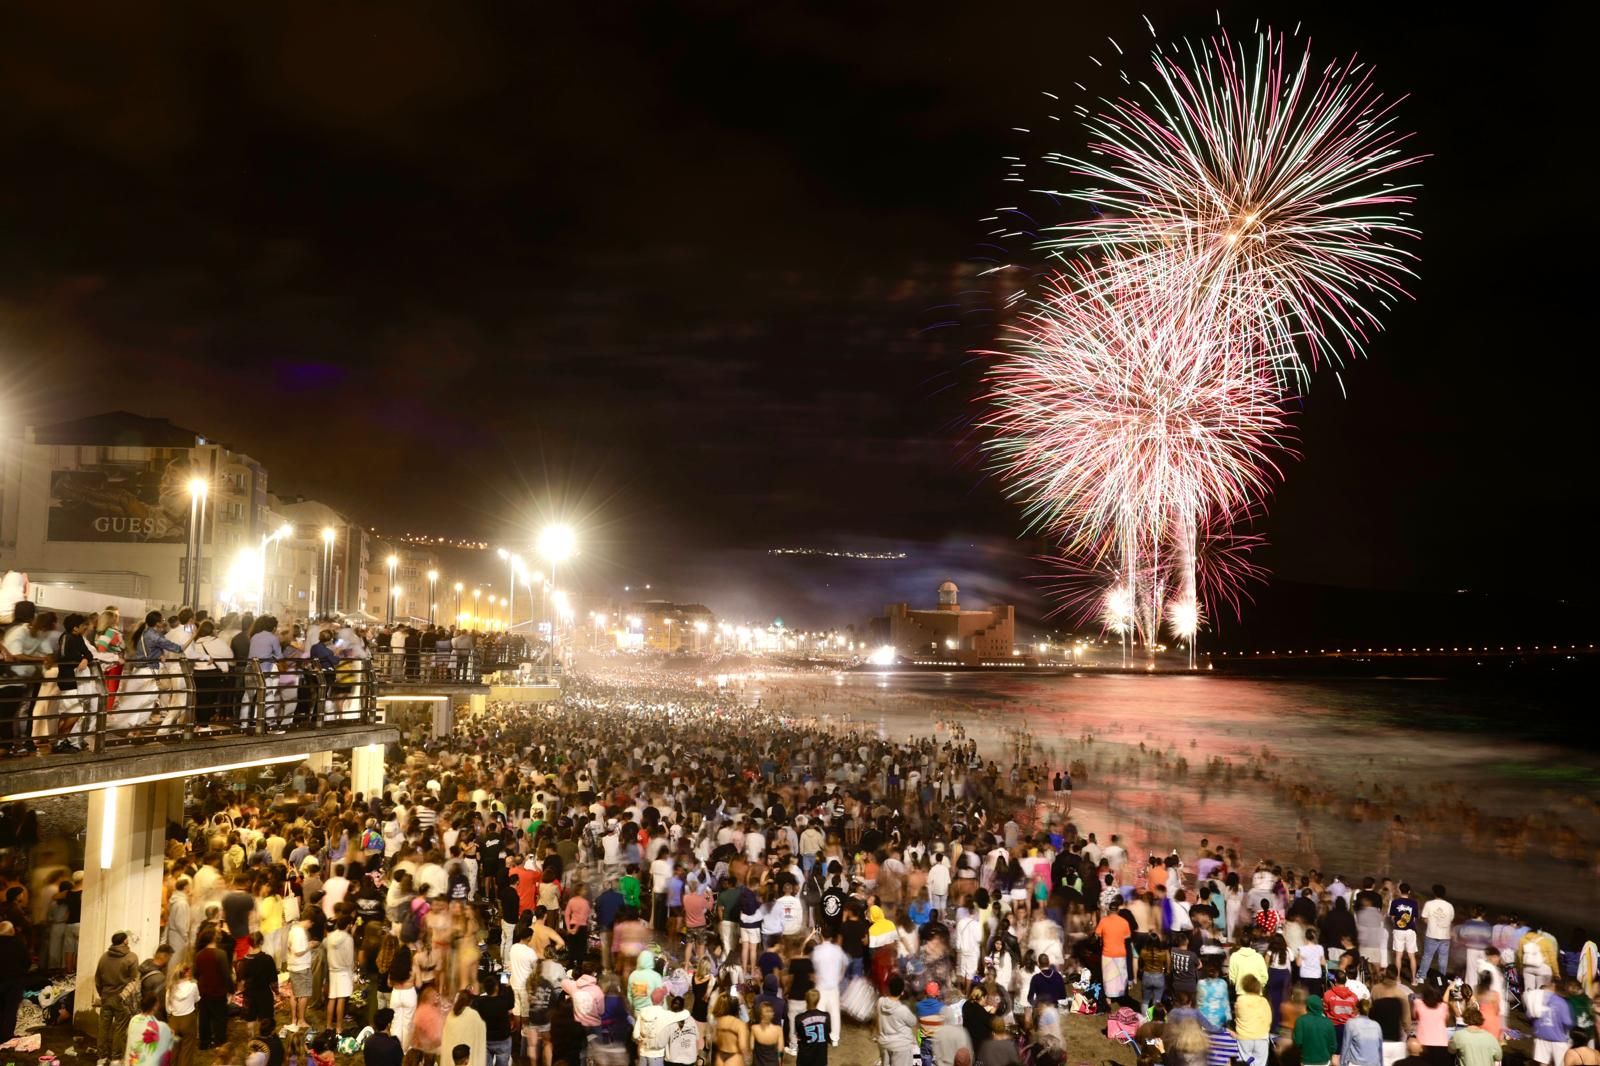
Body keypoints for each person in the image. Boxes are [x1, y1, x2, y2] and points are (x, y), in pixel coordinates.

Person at [96, 930, 141, 1065]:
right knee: (119, 1029)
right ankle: (115, 1059)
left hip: (106, 997)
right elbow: (134, 980)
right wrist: (123, 995)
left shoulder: (104, 957)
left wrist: (102, 994)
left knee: (103, 1028)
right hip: (121, 999)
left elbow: (98, 979)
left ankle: (102, 1058)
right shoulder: (131, 958)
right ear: (125, 941)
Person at [124, 990, 175, 1066]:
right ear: (155, 1006)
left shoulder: (133, 1020)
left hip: (133, 1062)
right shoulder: (161, 1027)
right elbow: (169, 1038)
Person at [876, 975, 918, 1066]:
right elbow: (913, 1022)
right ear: (902, 992)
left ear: (888, 989)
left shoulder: (880, 1002)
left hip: (884, 1044)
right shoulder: (902, 1010)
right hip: (901, 1047)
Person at [1419, 885, 1455, 983]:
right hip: (1445, 936)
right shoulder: (1449, 906)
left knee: (1427, 956)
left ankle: (1422, 977)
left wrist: (1431, 923)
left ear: (1434, 893)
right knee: (1443, 958)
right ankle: (1441, 979)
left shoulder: (1429, 904)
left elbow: (1424, 918)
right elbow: (1451, 919)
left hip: (1431, 934)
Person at [1292, 994, 1337, 1066]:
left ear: (1308, 1006)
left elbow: (1298, 1042)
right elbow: (1333, 1045)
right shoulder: (1328, 1022)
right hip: (1324, 1061)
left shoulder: (1300, 1021)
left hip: (1307, 1061)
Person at [1341, 998, 1386, 1066]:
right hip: (1374, 1063)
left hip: (1357, 1063)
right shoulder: (1376, 1025)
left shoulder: (1351, 1023)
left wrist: (1342, 1063)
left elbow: (1346, 1045)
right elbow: (1380, 1049)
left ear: (1357, 1009)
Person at [792, 989, 830, 1066]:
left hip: (804, 1058)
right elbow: (827, 1032)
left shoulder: (799, 1018)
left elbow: (799, 1036)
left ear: (806, 999)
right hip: (821, 1058)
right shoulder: (826, 1016)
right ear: (818, 1000)